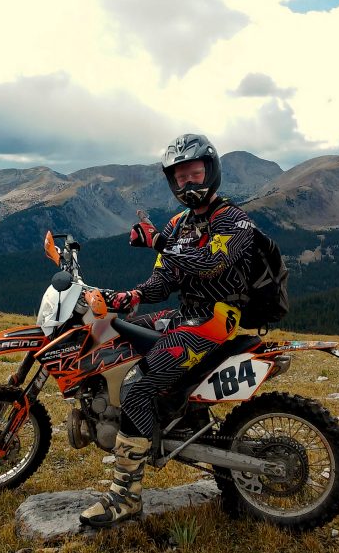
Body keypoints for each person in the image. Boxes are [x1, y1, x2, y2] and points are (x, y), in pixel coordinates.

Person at [80, 133, 255, 528]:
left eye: (195, 173)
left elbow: (211, 262)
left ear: (211, 170)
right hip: (184, 315)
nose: (189, 183)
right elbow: (161, 283)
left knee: (136, 387)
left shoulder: (234, 218)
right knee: (111, 337)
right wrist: (125, 297)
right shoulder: (179, 223)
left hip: (215, 321)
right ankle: (168, 415)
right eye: (180, 178)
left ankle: (125, 496)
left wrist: (159, 240)